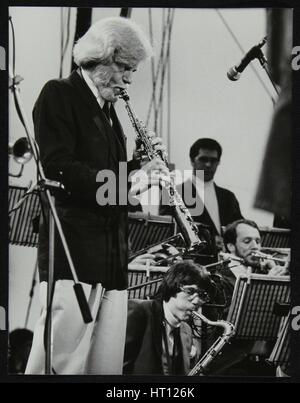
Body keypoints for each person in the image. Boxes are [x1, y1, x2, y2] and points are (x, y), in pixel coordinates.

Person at [26, 16, 168, 375]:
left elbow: (107, 177)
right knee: (61, 362)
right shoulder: (60, 94)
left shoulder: (109, 112)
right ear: (102, 58)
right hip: (73, 252)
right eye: (125, 68)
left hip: (111, 258)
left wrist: (138, 164)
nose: (129, 79)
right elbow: (60, 169)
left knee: (103, 367)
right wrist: (131, 181)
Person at [206, 219, 288, 376]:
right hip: (232, 366)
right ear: (230, 247)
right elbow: (233, 322)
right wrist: (268, 286)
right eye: (247, 241)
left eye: (258, 241)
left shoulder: (263, 274)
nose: (255, 246)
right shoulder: (217, 279)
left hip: (266, 363)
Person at [123, 260, 214, 375]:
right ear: (172, 286)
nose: (196, 301)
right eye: (190, 291)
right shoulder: (139, 310)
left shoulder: (186, 329)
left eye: (202, 295)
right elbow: (117, 366)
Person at [160, 138, 243, 253]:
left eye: (213, 160)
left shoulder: (228, 197)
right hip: (190, 259)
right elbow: (165, 231)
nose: (208, 164)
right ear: (192, 160)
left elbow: (240, 229)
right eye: (203, 159)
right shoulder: (173, 192)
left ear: (219, 162)